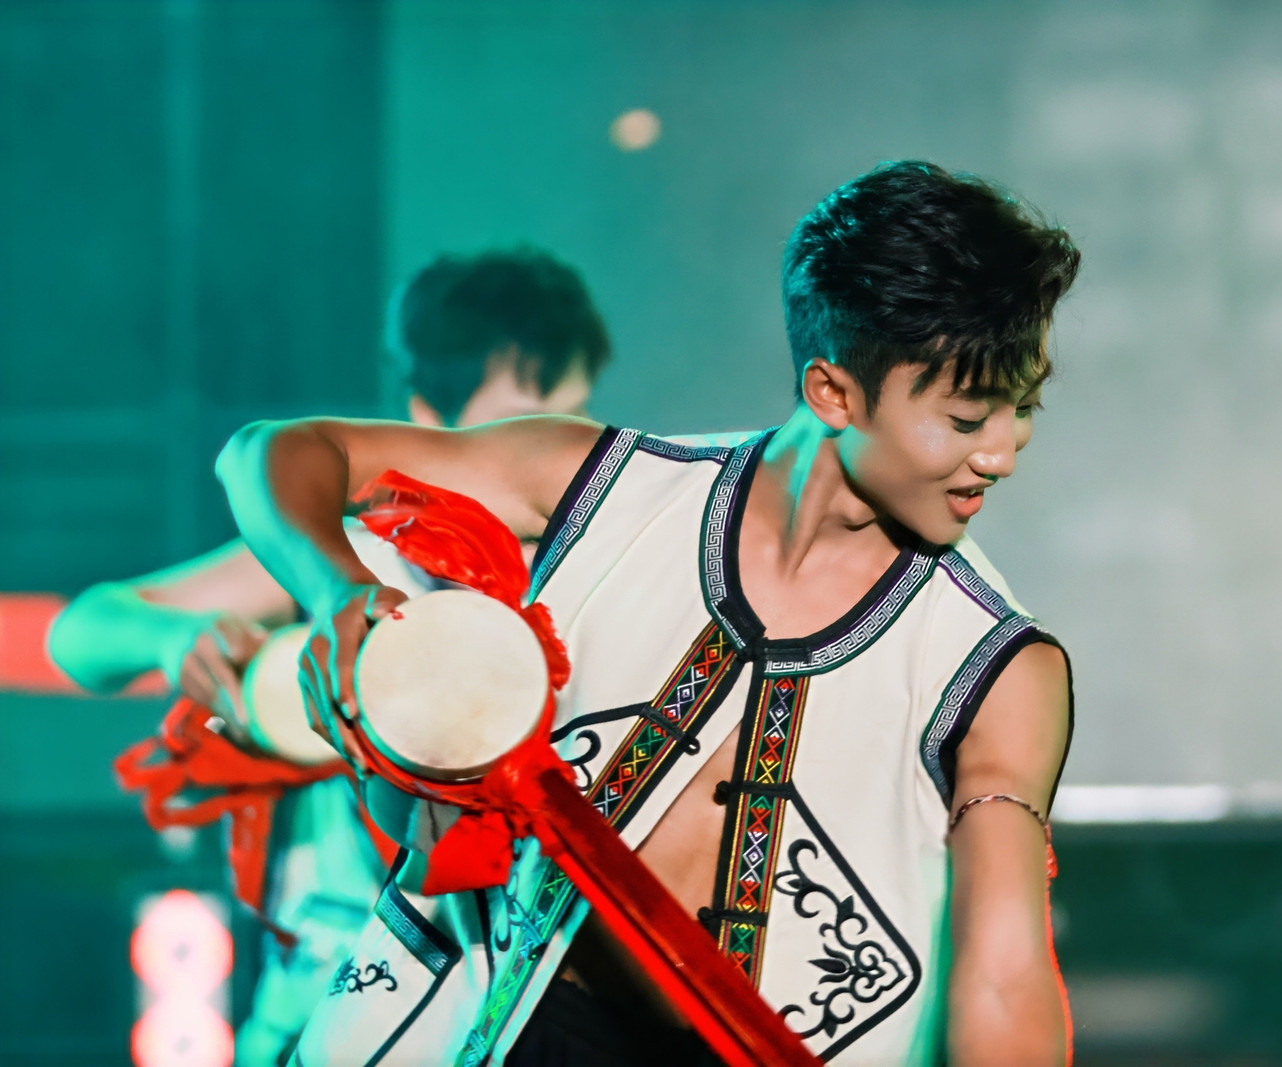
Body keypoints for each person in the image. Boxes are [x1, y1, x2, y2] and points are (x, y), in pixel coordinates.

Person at [220, 161, 1081, 1067]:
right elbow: (278, 453)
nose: (1003, 453)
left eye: (1022, 409)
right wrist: (338, 588)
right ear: (832, 392)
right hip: (489, 1027)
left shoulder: (998, 667)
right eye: (967, 418)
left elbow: (1004, 975)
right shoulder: (609, 488)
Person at [49, 246, 612, 1067]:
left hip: (516, 1009)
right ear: (424, 418)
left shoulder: (602, 559)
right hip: (334, 997)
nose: (555, 448)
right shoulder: (358, 557)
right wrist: (173, 639)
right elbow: (80, 634)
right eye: (523, 422)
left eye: (575, 416)